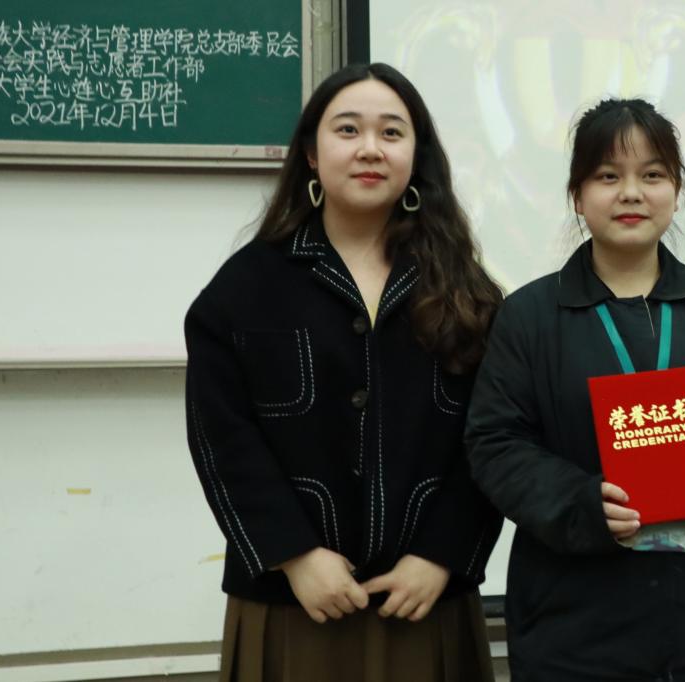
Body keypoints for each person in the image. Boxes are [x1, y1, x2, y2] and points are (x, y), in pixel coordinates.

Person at [465, 98, 685, 681]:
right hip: (574, 626)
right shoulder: (528, 316)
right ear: (577, 196)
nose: (631, 193)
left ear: (677, 189)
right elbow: (495, 443)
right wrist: (581, 503)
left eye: (652, 175)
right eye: (608, 176)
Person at [184, 62, 503, 682]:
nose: (370, 149)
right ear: (311, 153)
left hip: (426, 601)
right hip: (291, 602)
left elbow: (492, 437)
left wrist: (440, 556)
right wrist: (296, 556)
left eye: (392, 133)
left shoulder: (466, 291)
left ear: (417, 155)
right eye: (348, 130)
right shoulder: (244, 289)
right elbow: (223, 439)